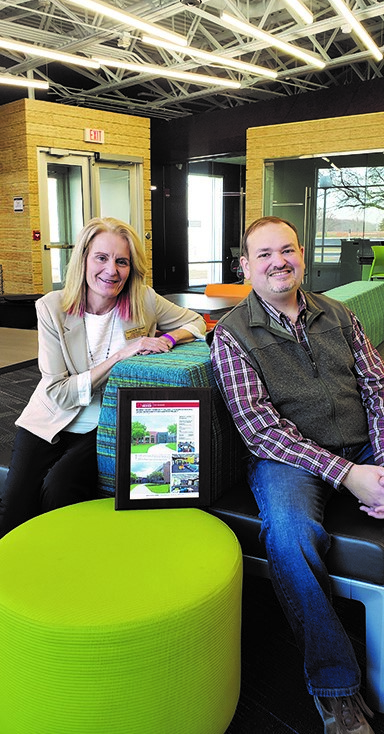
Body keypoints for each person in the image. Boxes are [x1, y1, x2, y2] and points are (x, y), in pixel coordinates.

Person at [208, 216, 384, 734]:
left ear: (302, 256)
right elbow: (259, 428)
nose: (277, 261)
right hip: (287, 460)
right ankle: (336, 691)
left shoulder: (340, 314)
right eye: (263, 254)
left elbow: (376, 388)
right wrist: (349, 474)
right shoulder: (232, 335)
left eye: (286, 250)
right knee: (289, 536)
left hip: (363, 446)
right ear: (245, 267)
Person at [0, 216, 205, 538]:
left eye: (122, 261)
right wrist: (121, 355)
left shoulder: (144, 300)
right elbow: (57, 393)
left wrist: (166, 339)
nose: (112, 270)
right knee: (12, 508)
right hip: (49, 415)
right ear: (83, 259)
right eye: (102, 258)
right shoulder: (52, 308)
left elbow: (197, 323)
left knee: (59, 490)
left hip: (105, 421)